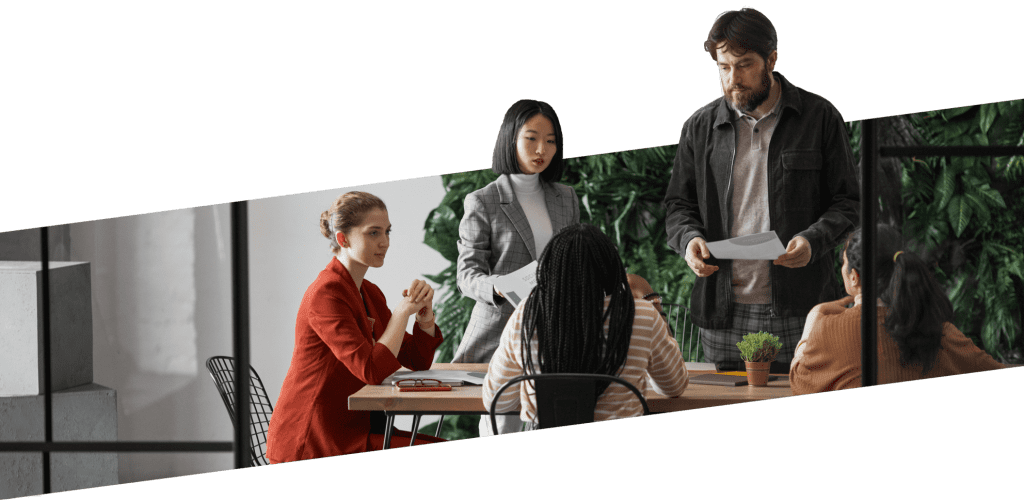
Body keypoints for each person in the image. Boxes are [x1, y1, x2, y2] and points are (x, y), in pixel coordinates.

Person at [662, 7, 859, 372]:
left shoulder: (819, 117)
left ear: (772, 60)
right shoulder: (699, 126)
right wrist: (689, 240)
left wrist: (813, 240)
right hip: (722, 311)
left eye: (744, 65)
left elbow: (848, 202)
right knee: (726, 404)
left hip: (801, 307)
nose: (732, 79)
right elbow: (678, 205)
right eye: (723, 67)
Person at [266, 191, 445, 462]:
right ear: (343, 239)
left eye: (387, 231)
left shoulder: (369, 292)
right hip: (316, 439)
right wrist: (401, 313)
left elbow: (416, 359)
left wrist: (424, 317)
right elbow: (371, 369)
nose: (385, 242)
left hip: (360, 428)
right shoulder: (326, 294)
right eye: (373, 233)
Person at [454, 99, 581, 436]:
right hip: (501, 334)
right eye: (532, 138)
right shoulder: (483, 201)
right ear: (510, 138)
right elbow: (467, 276)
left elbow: (575, 260)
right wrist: (499, 285)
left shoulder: (566, 198)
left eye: (551, 141)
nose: (542, 149)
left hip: (555, 334)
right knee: (502, 427)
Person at [482, 224, 688, 429]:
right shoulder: (641, 314)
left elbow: (496, 400)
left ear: (550, 267)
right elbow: (673, 386)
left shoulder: (528, 313)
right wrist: (653, 302)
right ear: (612, 267)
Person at [790, 226, 1005, 394]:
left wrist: (814, 318)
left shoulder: (828, 329)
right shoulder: (938, 331)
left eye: (843, 262)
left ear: (854, 276)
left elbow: (800, 383)